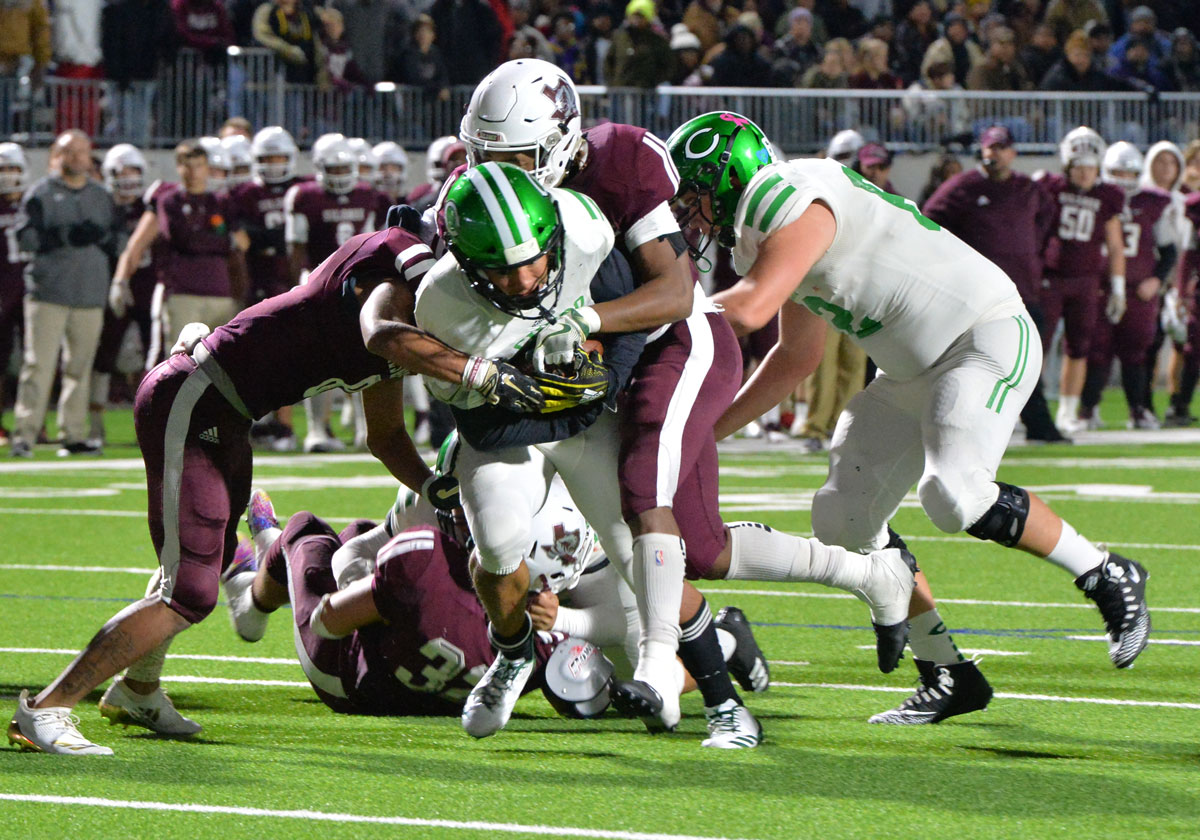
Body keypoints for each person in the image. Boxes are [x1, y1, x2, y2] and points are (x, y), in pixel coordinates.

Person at [4, 209, 567, 754]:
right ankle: (47, 708)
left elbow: (387, 436)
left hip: (226, 412)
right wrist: (483, 372)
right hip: (194, 398)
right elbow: (382, 332)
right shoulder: (397, 260)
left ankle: (139, 689)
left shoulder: (410, 316)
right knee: (193, 591)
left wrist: (435, 490)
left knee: (208, 558)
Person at [667, 110, 1151, 725]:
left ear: (729, 177)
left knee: (955, 493)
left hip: (983, 336)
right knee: (843, 518)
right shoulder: (765, 230)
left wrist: (655, 321)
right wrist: (704, 430)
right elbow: (797, 357)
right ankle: (947, 670)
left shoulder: (786, 194)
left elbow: (752, 309)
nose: (689, 214)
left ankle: (1105, 572)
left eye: (693, 196)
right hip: (910, 371)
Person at [922, 125, 1067, 443]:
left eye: (1001, 148)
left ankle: (1034, 424)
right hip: (980, 296)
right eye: (990, 148)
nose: (995, 154)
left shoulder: (1028, 189)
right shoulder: (963, 186)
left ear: (1013, 153)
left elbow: (1048, 221)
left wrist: (1034, 258)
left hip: (1023, 290)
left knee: (1027, 363)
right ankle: (1019, 425)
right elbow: (927, 222)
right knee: (981, 363)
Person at [11, 130, 122, 458]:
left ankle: (73, 434)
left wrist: (102, 239)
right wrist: (57, 236)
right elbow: (23, 237)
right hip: (48, 291)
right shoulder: (41, 193)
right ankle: (25, 434)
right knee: (38, 366)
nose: (76, 159)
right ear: (56, 156)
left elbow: (119, 239)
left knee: (80, 368)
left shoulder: (102, 196)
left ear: (90, 156)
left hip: (90, 292)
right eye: (68, 152)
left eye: (81, 152)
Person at [284, 135, 380, 452]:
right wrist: (297, 286)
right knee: (316, 360)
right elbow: (296, 246)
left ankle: (367, 430)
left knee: (365, 357)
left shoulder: (367, 195)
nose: (339, 174)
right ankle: (317, 430)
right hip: (317, 282)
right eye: (333, 167)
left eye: (344, 167)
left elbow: (370, 242)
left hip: (355, 283)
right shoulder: (304, 195)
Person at [1036, 126, 1127, 434]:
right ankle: (1029, 411)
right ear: (1067, 165)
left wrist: (1118, 289)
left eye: (1091, 166)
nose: (1085, 173)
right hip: (1050, 279)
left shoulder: (1108, 196)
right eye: (1079, 166)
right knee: (1039, 347)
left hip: (1086, 281)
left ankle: (1067, 410)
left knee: (1079, 347)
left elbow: (1115, 246)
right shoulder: (1051, 187)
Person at [1079, 143, 1176, 430]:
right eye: (1116, 171)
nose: (1122, 177)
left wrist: (1156, 279)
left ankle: (1139, 409)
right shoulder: (1096, 198)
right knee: (1097, 350)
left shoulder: (1152, 201)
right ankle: (1087, 409)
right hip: (1101, 288)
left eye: (1128, 171)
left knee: (1136, 352)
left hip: (1138, 291)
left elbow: (1169, 250)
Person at [229, 125, 303, 450]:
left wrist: (262, 240)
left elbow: (274, 238)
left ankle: (285, 426)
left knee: (287, 358)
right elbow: (243, 237)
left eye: (279, 157)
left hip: (290, 283)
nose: (273, 163)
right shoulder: (244, 194)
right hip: (258, 282)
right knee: (254, 358)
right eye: (267, 157)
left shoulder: (303, 190)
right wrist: (266, 240)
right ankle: (259, 423)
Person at [90, 143, 155, 445]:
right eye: (121, 171)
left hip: (147, 287)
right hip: (108, 287)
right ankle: (94, 425)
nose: (128, 177)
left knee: (156, 356)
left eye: (133, 171)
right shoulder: (102, 207)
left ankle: (156, 424)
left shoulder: (150, 206)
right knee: (103, 355)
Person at [156, 140, 242, 362]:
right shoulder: (170, 200)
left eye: (199, 165)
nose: (194, 172)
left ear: (207, 167)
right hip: (184, 290)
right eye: (188, 165)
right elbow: (182, 239)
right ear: (178, 167)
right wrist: (219, 242)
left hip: (220, 290)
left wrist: (203, 240)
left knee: (221, 361)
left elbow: (241, 242)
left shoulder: (221, 201)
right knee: (180, 360)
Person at [0, 143, 29, 445]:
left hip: (34, 292)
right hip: (3, 291)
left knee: (35, 363)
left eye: (12, 168)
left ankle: (32, 424)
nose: (8, 175)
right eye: (3, 169)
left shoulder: (33, 203)